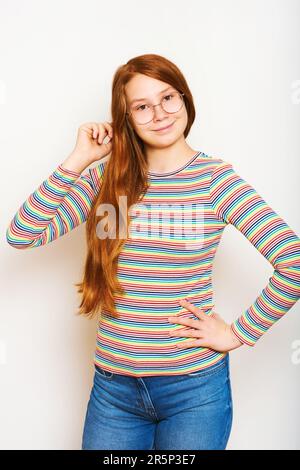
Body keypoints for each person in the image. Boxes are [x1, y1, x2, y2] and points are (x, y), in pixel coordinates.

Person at [6, 53, 300, 450]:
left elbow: (292, 262)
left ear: (185, 99)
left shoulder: (216, 180)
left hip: (194, 391)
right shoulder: (106, 181)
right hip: (113, 393)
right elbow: (23, 234)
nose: (159, 113)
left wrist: (238, 333)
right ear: (125, 118)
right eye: (142, 107)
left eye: (168, 98)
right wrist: (78, 160)